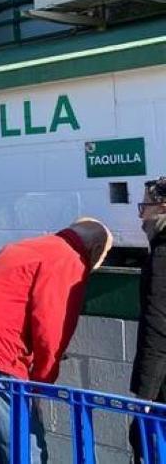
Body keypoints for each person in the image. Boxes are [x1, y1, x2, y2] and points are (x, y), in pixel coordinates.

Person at [0, 219, 113, 463]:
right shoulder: (69, 259)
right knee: (21, 436)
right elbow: (52, 325)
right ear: (94, 250)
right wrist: (41, 385)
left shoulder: (34, 245)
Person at [131, 177, 166, 460]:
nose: (141, 215)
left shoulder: (163, 255)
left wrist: (144, 395)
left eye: (145, 206)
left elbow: (157, 326)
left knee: (146, 442)